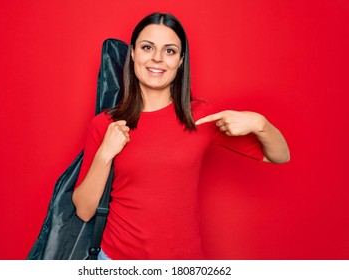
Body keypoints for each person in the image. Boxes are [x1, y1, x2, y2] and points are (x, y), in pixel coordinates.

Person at [72, 12, 290, 260]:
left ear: (181, 59)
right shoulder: (106, 124)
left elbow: (280, 156)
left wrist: (260, 124)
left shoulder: (201, 117)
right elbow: (84, 210)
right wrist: (105, 154)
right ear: (132, 53)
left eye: (170, 51)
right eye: (147, 47)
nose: (157, 58)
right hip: (117, 262)